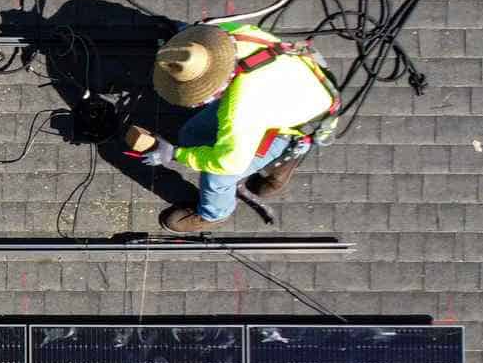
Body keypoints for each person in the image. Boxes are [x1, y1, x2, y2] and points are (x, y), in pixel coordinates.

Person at [125, 19, 338, 232]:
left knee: (218, 176)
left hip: (293, 126)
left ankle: (214, 214)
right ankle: (276, 161)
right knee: (192, 134)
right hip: (296, 87)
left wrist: (175, 154)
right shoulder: (223, 36)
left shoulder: (242, 109)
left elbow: (228, 163)